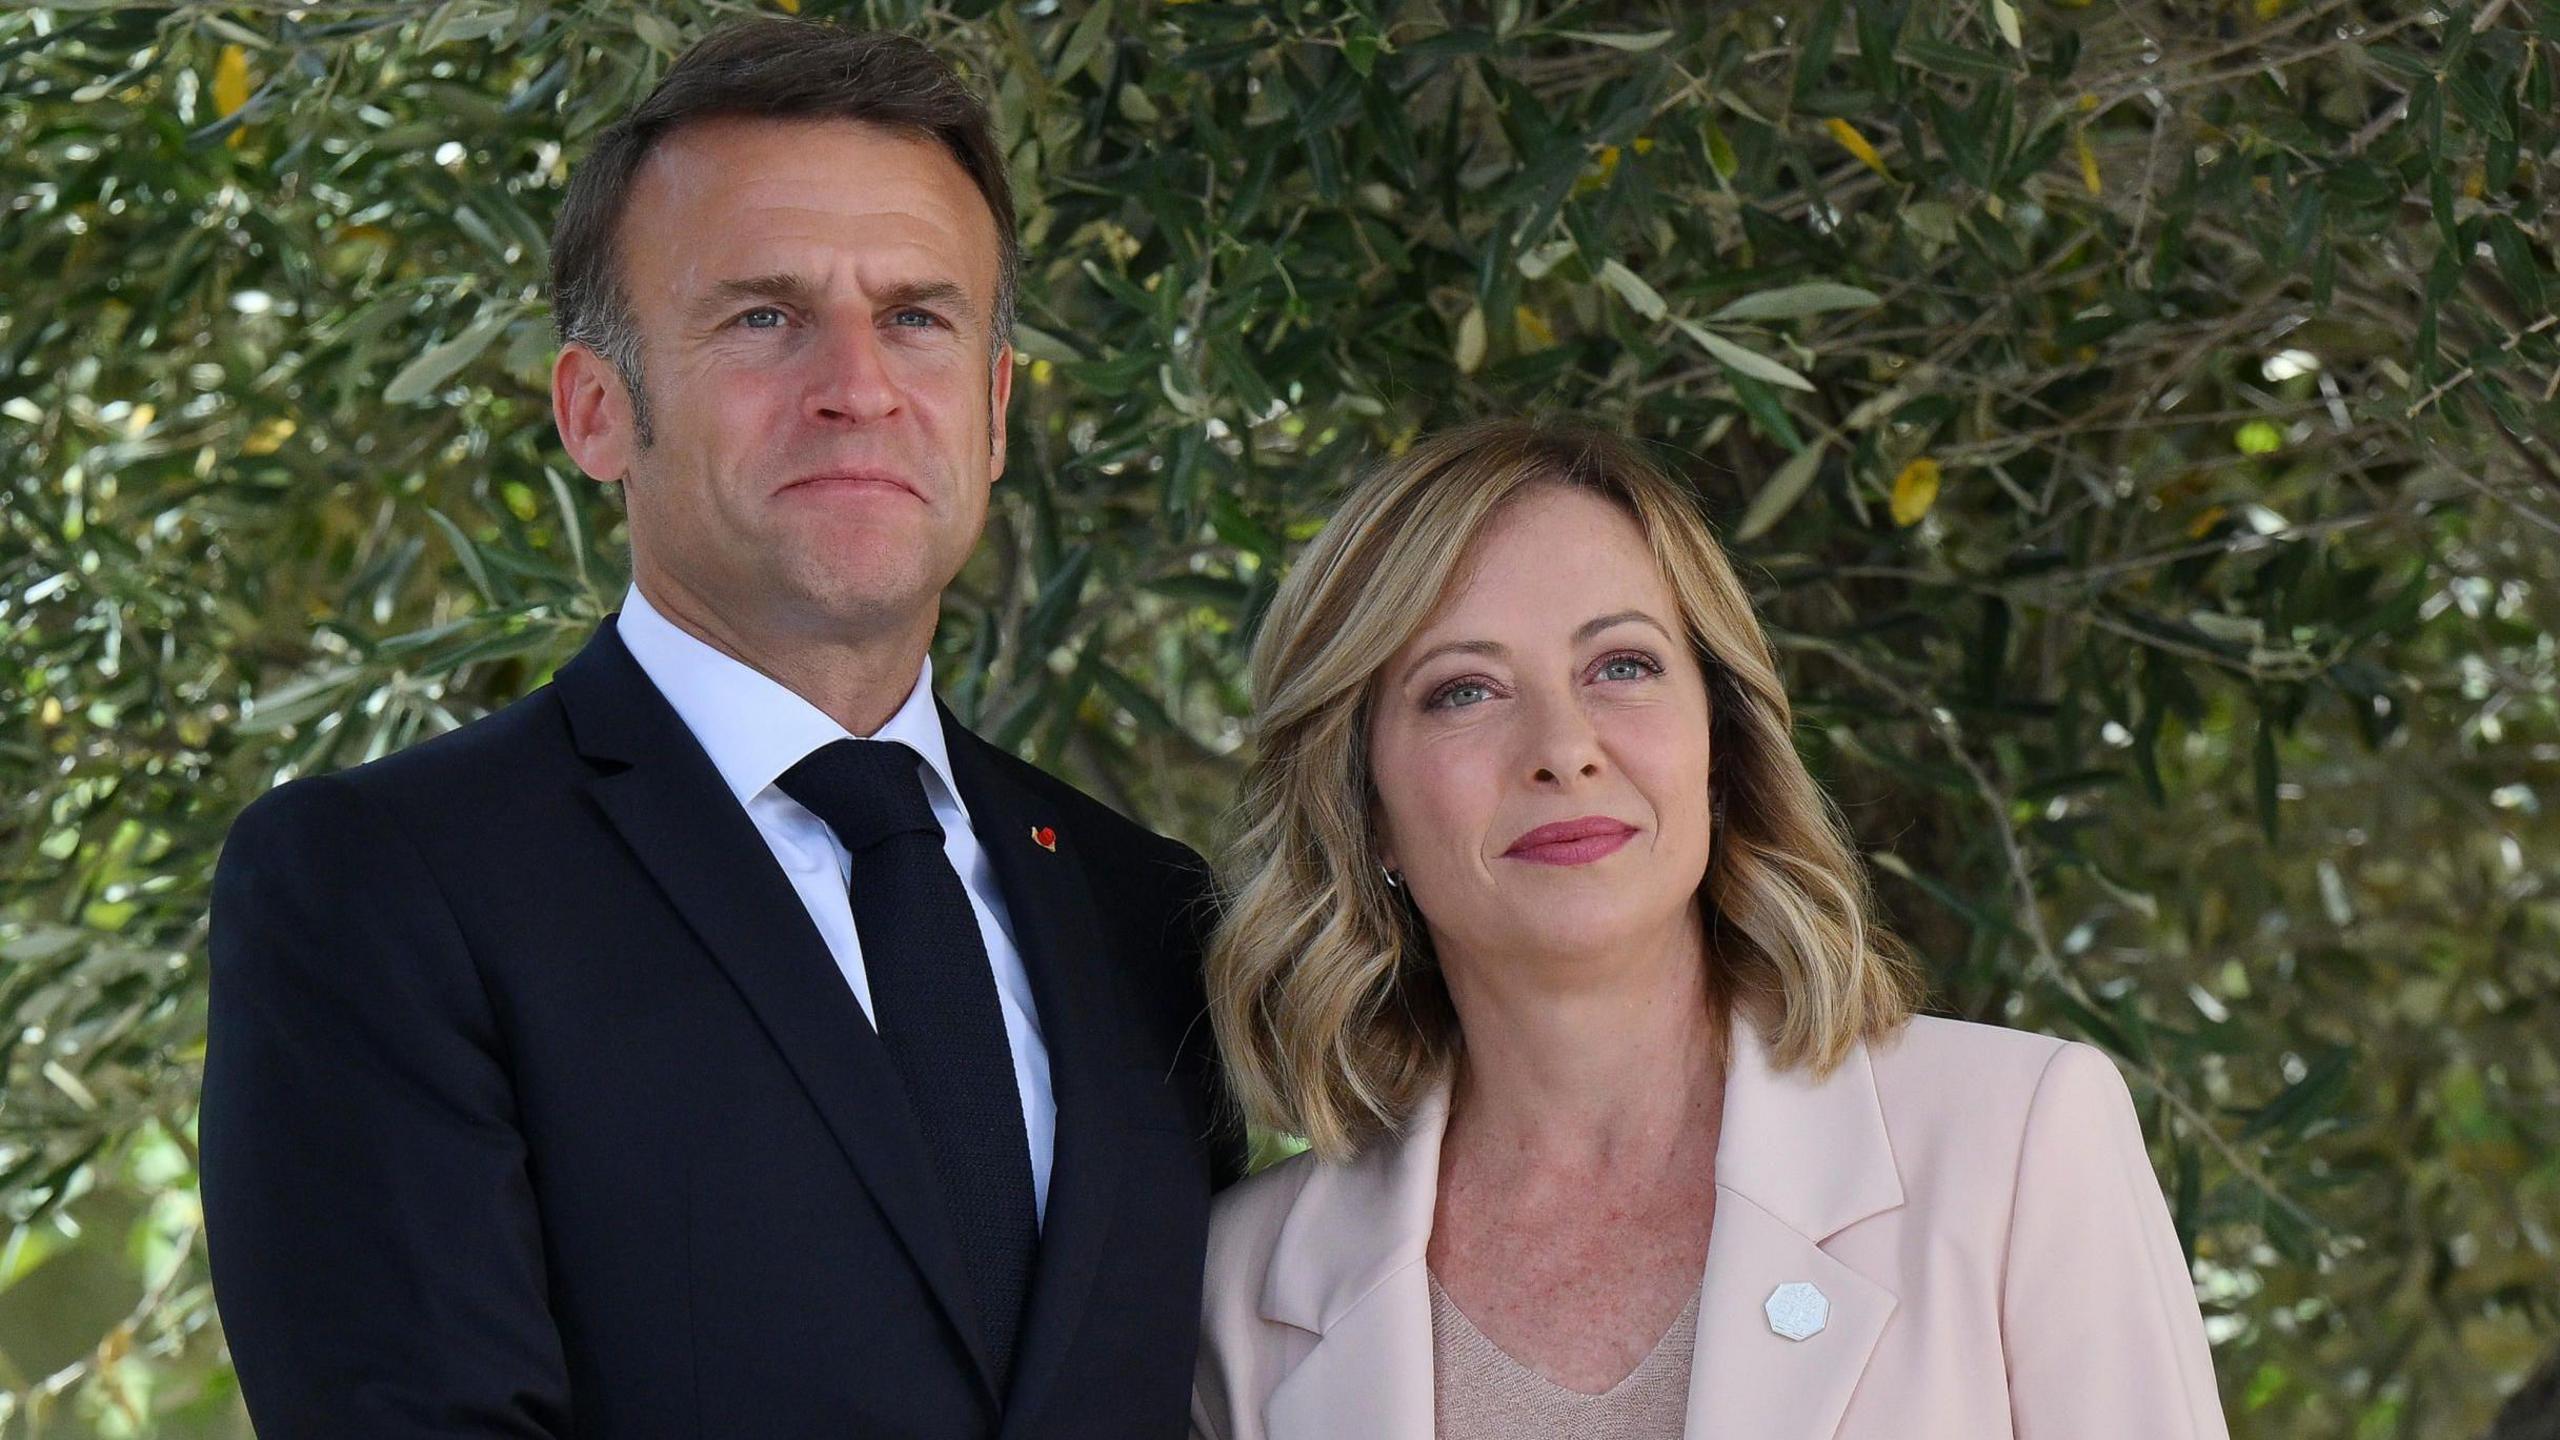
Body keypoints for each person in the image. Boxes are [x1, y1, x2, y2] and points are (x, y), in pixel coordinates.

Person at [200, 21, 1236, 1439]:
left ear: (994, 415)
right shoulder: (386, 886)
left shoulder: (1147, 910)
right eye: (763, 316)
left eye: (918, 316)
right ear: (597, 409)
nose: (858, 385)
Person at [1191, 420, 2230, 1439]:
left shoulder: (2014, 1142)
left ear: (1720, 748)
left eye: (1622, 666)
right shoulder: (1244, 1287)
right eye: (1464, 690)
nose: (1564, 748)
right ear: (1361, 805)